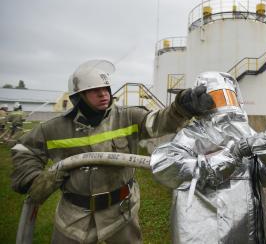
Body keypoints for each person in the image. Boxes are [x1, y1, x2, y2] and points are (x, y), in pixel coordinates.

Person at [10, 59, 213, 244]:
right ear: (78, 97)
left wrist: (181, 108)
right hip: (74, 218)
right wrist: (31, 177)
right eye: (95, 90)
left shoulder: (127, 117)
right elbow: (24, 149)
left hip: (121, 213)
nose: (103, 94)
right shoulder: (55, 128)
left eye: (106, 88)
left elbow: (158, 121)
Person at [150, 71, 266, 244]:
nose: (226, 103)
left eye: (230, 97)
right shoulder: (193, 135)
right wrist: (230, 156)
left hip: (249, 231)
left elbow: (265, 178)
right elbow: (163, 165)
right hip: (205, 232)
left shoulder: (247, 132)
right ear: (203, 102)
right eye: (218, 97)